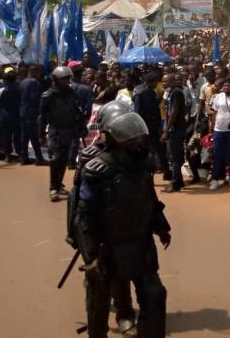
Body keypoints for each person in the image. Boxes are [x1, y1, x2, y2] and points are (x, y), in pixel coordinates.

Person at [72, 112, 171, 338]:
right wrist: (91, 256)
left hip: (141, 242)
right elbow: (84, 216)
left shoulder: (144, 164)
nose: (137, 143)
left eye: (139, 138)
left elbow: (150, 198)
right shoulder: (97, 170)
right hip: (108, 246)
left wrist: (161, 226)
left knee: (155, 295)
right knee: (99, 299)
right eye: (131, 139)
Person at [67, 100, 137, 336]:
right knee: (97, 277)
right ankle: (97, 327)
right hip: (94, 226)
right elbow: (78, 200)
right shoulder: (90, 156)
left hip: (123, 225)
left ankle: (125, 313)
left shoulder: (135, 154)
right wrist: (80, 236)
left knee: (122, 271)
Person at [40, 66, 85, 202]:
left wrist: (83, 126)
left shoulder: (72, 93)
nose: (67, 80)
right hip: (55, 129)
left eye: (68, 78)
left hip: (70, 130)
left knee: (64, 159)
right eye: (63, 78)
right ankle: (53, 187)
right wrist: (41, 133)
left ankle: (58, 183)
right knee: (55, 157)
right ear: (56, 79)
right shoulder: (48, 95)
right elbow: (42, 116)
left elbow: (78, 110)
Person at [161, 73, 189, 193]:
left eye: (166, 82)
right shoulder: (171, 93)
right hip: (175, 128)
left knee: (175, 157)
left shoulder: (176, 92)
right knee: (174, 155)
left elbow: (174, 111)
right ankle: (179, 180)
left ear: (172, 81)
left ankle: (175, 182)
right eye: (162, 81)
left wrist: (167, 130)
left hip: (176, 129)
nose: (163, 84)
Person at [19, 64, 46, 165]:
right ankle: (39, 158)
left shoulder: (22, 82)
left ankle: (24, 157)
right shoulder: (35, 83)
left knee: (24, 136)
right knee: (34, 136)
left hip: (22, 112)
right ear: (33, 71)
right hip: (31, 113)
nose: (40, 74)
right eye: (38, 72)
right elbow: (36, 99)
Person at [0, 66, 22, 163]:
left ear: (4, 80)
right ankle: (20, 154)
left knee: (6, 136)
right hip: (17, 115)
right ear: (15, 79)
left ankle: (8, 155)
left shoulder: (0, 90)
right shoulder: (20, 89)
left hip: (5, 115)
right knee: (17, 136)